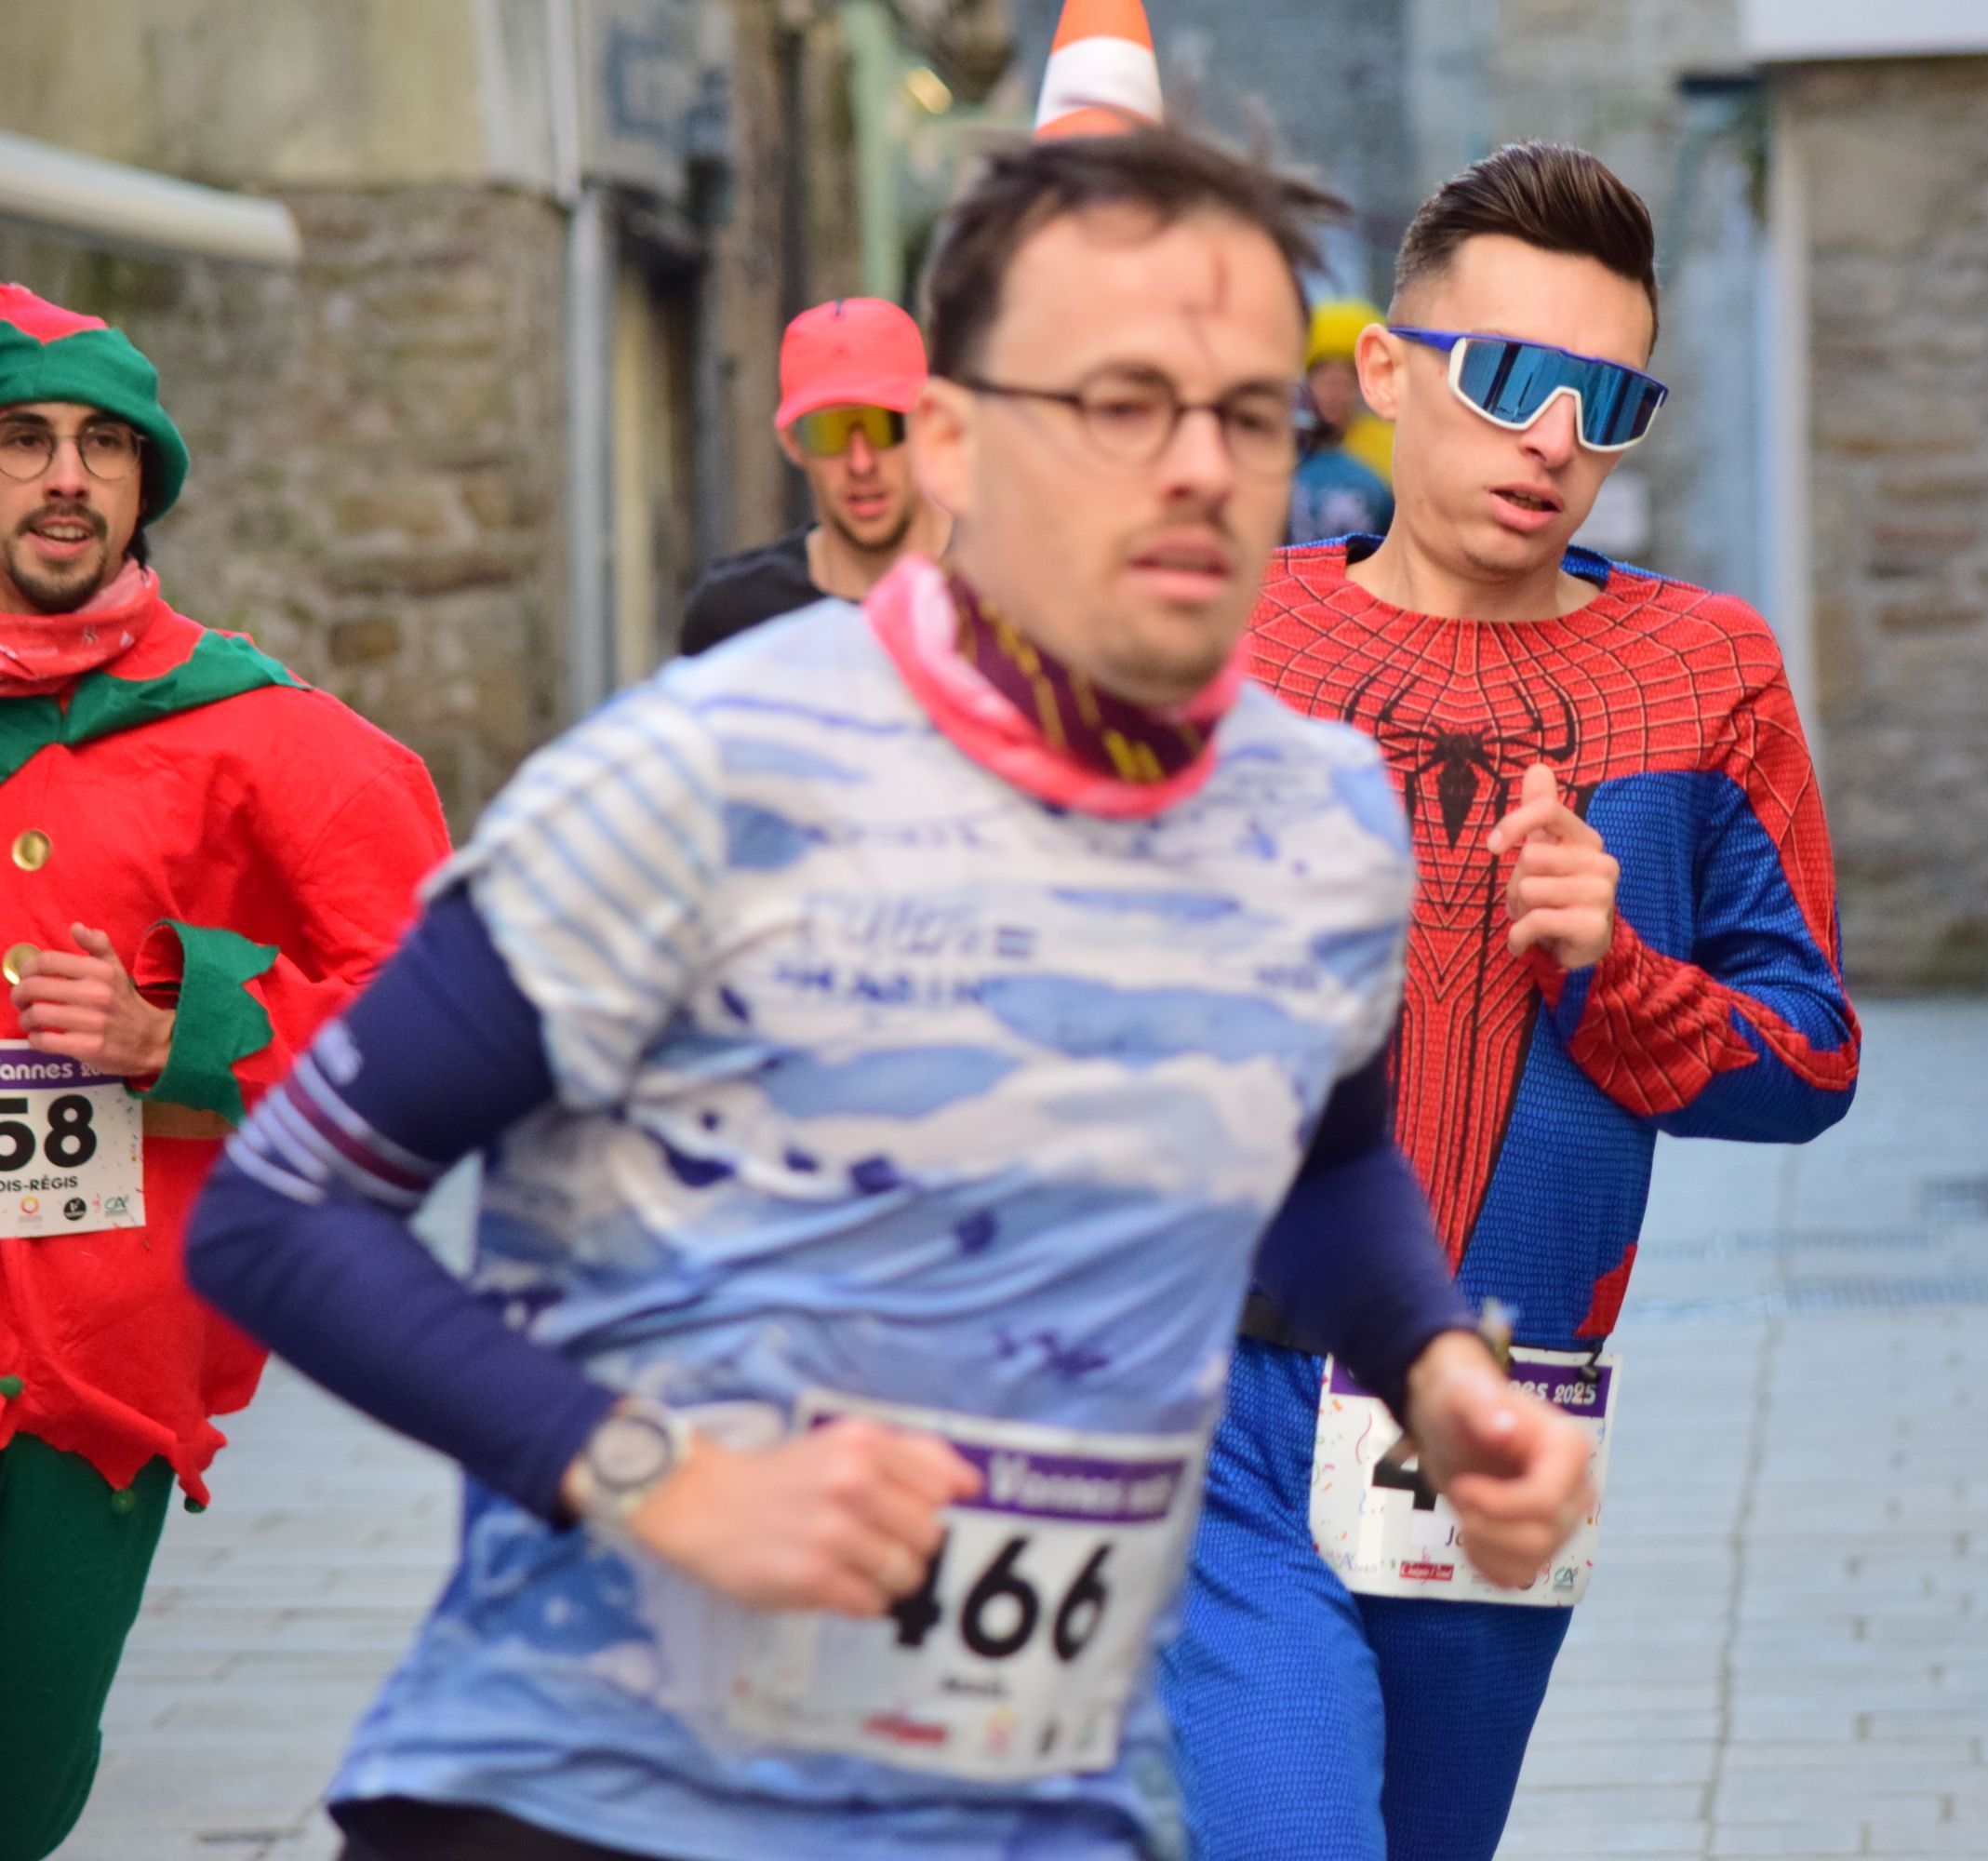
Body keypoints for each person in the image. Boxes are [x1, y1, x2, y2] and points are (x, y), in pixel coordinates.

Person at [183, 127, 1596, 1861]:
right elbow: (279, 1210)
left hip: (1028, 1802)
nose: (1198, 467)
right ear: (952, 441)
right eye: (1120, 404)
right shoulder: (706, 774)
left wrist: (1438, 1373)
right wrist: (657, 1478)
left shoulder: (1319, 818)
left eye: (1243, 413)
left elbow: (1320, 1161)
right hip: (599, 1799)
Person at [1166, 143, 1861, 1861]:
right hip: (1210, 1401)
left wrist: (1616, 973)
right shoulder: (1220, 643)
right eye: (1507, 377)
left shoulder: (1705, 675)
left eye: (1607, 401)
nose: (1554, 438)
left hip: (1505, 1409)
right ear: (1385, 374)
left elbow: (1810, 1057)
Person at [0, 284, 447, 1861]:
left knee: (16, 1772)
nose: (67, 476)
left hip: (84, 1368)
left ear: (147, 484)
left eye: (105, 446)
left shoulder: (256, 729)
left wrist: (181, 1030)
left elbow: (432, 1005)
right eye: (24, 439)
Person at [676, 297, 952, 655]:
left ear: (929, 423)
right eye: (829, 433)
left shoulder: (1007, 593)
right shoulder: (735, 617)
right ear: (792, 443)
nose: (861, 463)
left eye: (884, 426)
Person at [1288, 298, 1395, 544]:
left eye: (1344, 383)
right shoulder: (1283, 448)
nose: (1334, 395)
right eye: (1326, 382)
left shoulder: (1387, 452)